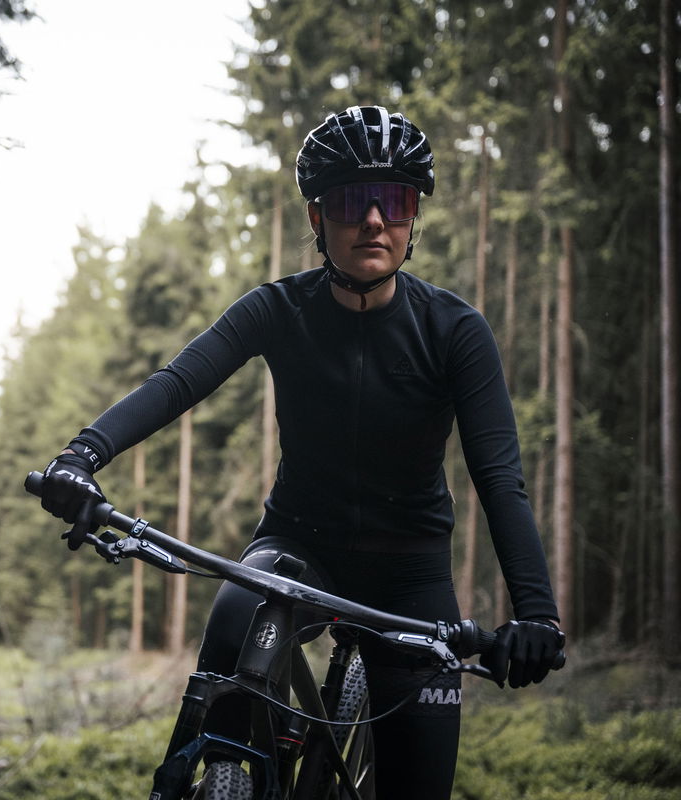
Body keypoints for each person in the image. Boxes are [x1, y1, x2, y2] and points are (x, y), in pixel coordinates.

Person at [36, 105, 565, 799]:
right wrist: (80, 457)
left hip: (410, 571)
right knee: (231, 631)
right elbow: (176, 384)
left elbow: (499, 479)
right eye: (351, 201)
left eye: (395, 201)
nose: (373, 221)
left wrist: (537, 614)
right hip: (296, 547)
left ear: (413, 219)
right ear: (317, 217)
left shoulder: (454, 330)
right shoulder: (277, 310)